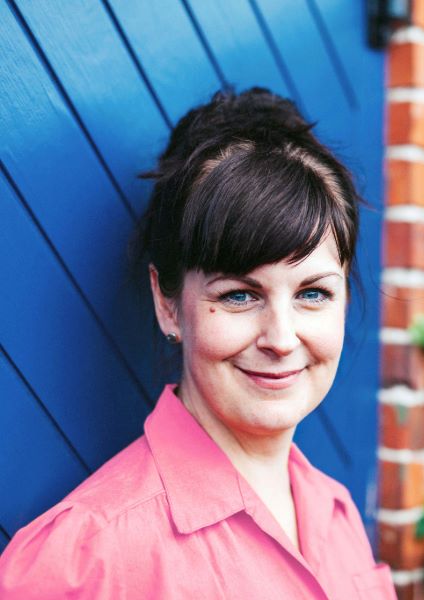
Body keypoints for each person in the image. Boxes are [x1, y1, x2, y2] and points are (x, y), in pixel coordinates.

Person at [0, 87, 396, 599]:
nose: (281, 337)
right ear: (168, 305)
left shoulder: (336, 513)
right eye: (238, 296)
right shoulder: (86, 558)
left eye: (313, 292)